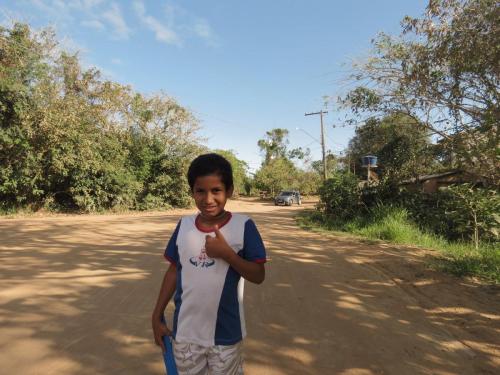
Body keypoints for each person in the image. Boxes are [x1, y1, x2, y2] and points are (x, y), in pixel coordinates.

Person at [152, 153, 267, 375]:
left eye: (216, 190)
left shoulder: (244, 226)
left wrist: (229, 255)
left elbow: (258, 275)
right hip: (185, 335)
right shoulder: (184, 226)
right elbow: (174, 270)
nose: (208, 199)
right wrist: (156, 315)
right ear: (192, 192)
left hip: (226, 336)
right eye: (200, 191)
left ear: (230, 190)